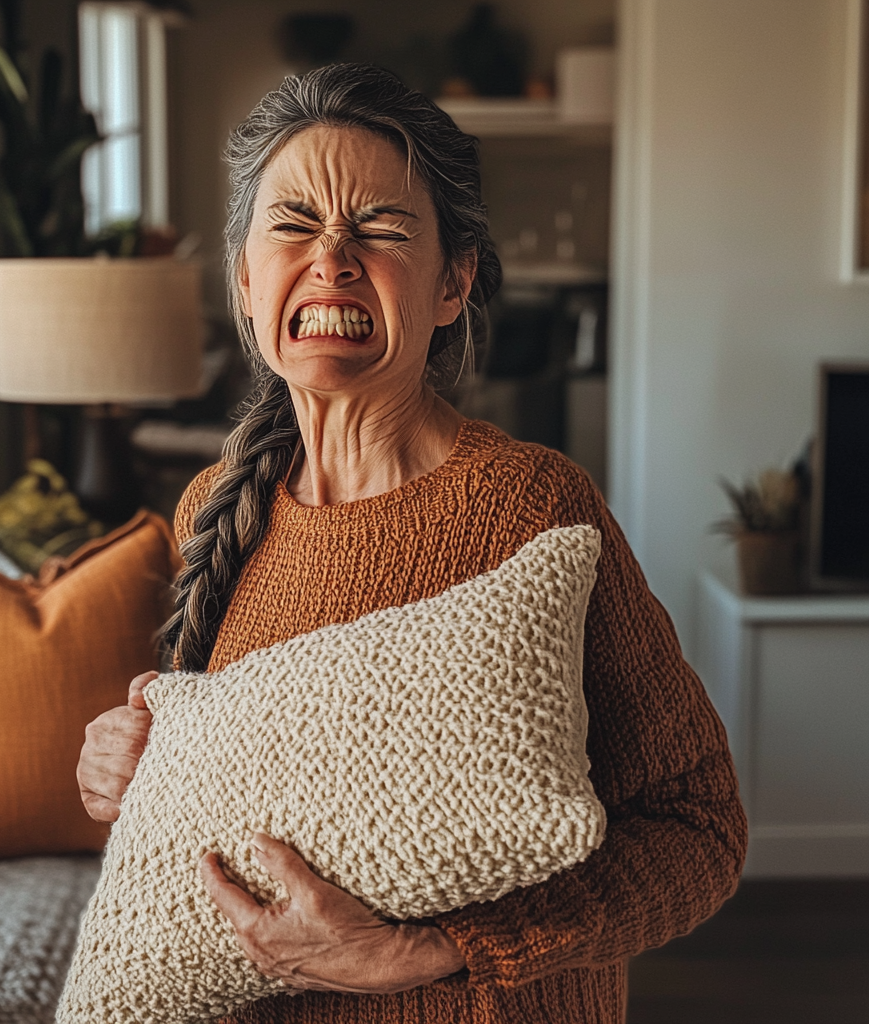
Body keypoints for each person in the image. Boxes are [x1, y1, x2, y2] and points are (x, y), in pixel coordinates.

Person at [76, 63, 746, 1024]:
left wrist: (427, 953)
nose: (332, 259)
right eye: (294, 225)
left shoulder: (530, 507)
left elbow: (698, 830)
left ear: (452, 282)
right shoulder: (211, 511)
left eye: (381, 229)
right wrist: (123, 770)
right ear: (245, 279)